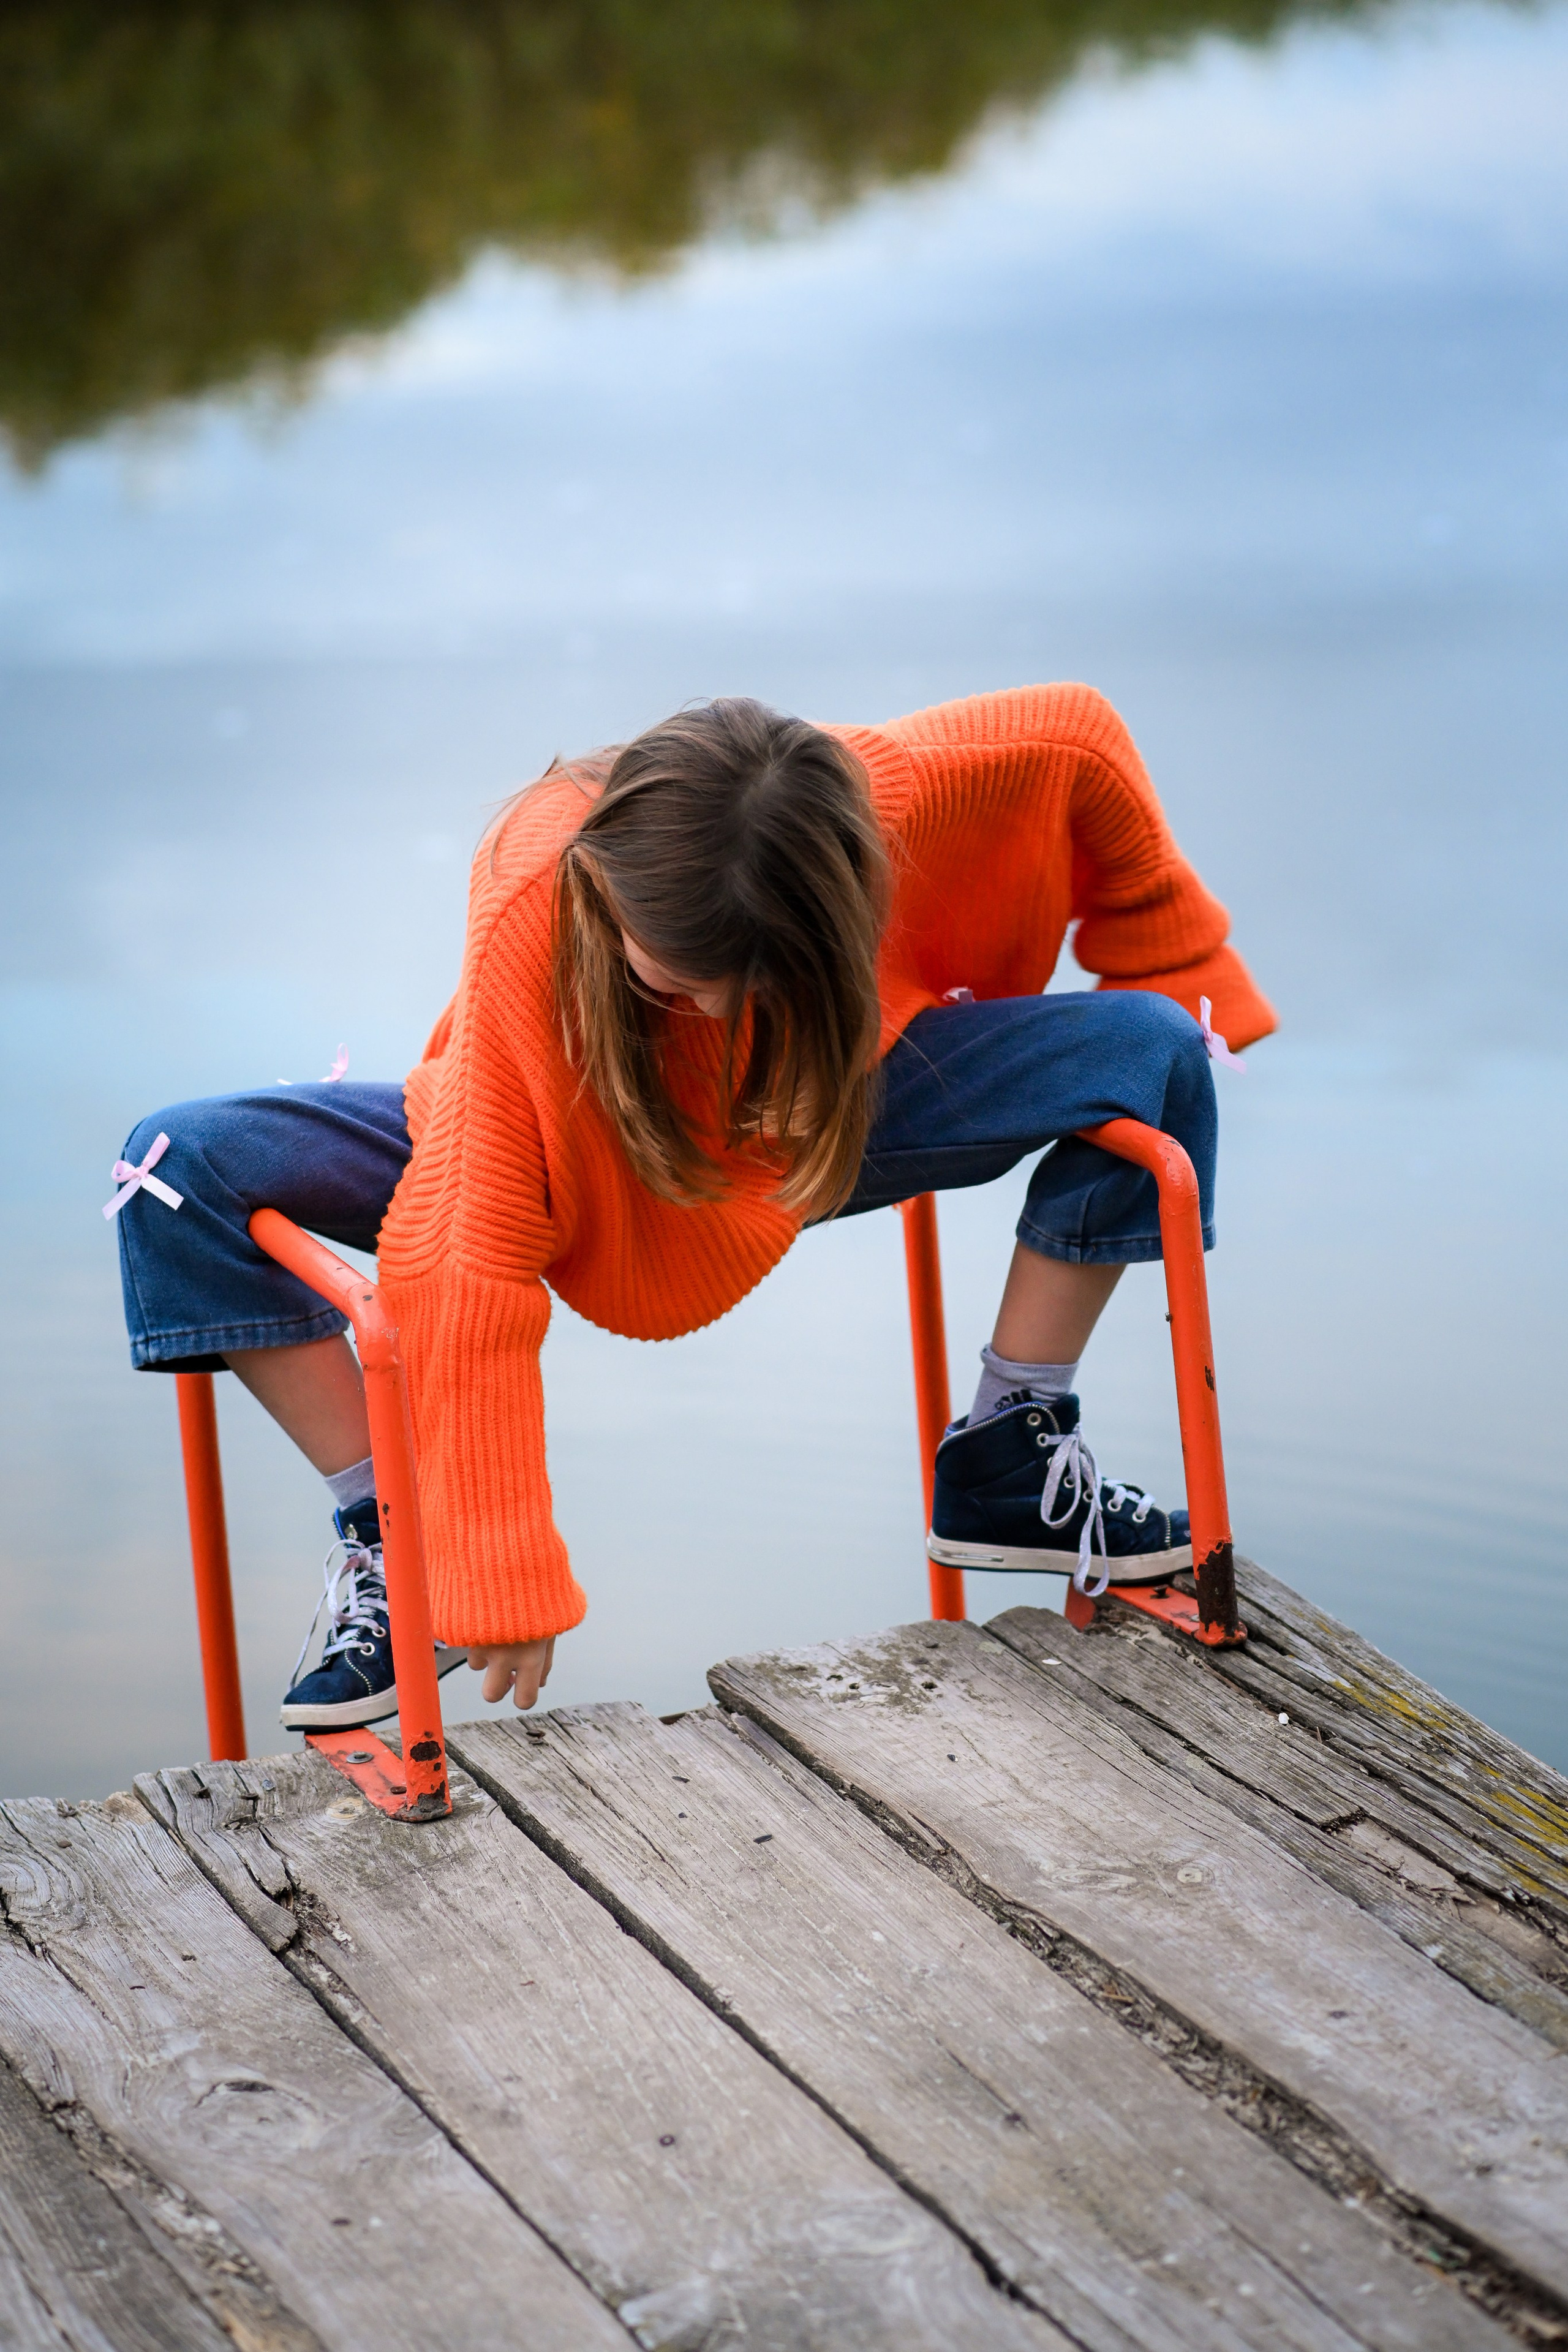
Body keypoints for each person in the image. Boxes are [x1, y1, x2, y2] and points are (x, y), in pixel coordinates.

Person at [112, 685, 1273, 1730]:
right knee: (176, 1167)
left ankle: (1011, 1451)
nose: (696, 1006)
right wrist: (487, 1561)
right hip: (561, 1146)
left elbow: (1077, 736)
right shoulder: (537, 888)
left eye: (738, 985)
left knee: (1159, 1055)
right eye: (668, 981)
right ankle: (391, 1539)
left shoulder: (868, 799)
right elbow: (472, 1244)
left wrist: (1178, 955)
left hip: (808, 1125)